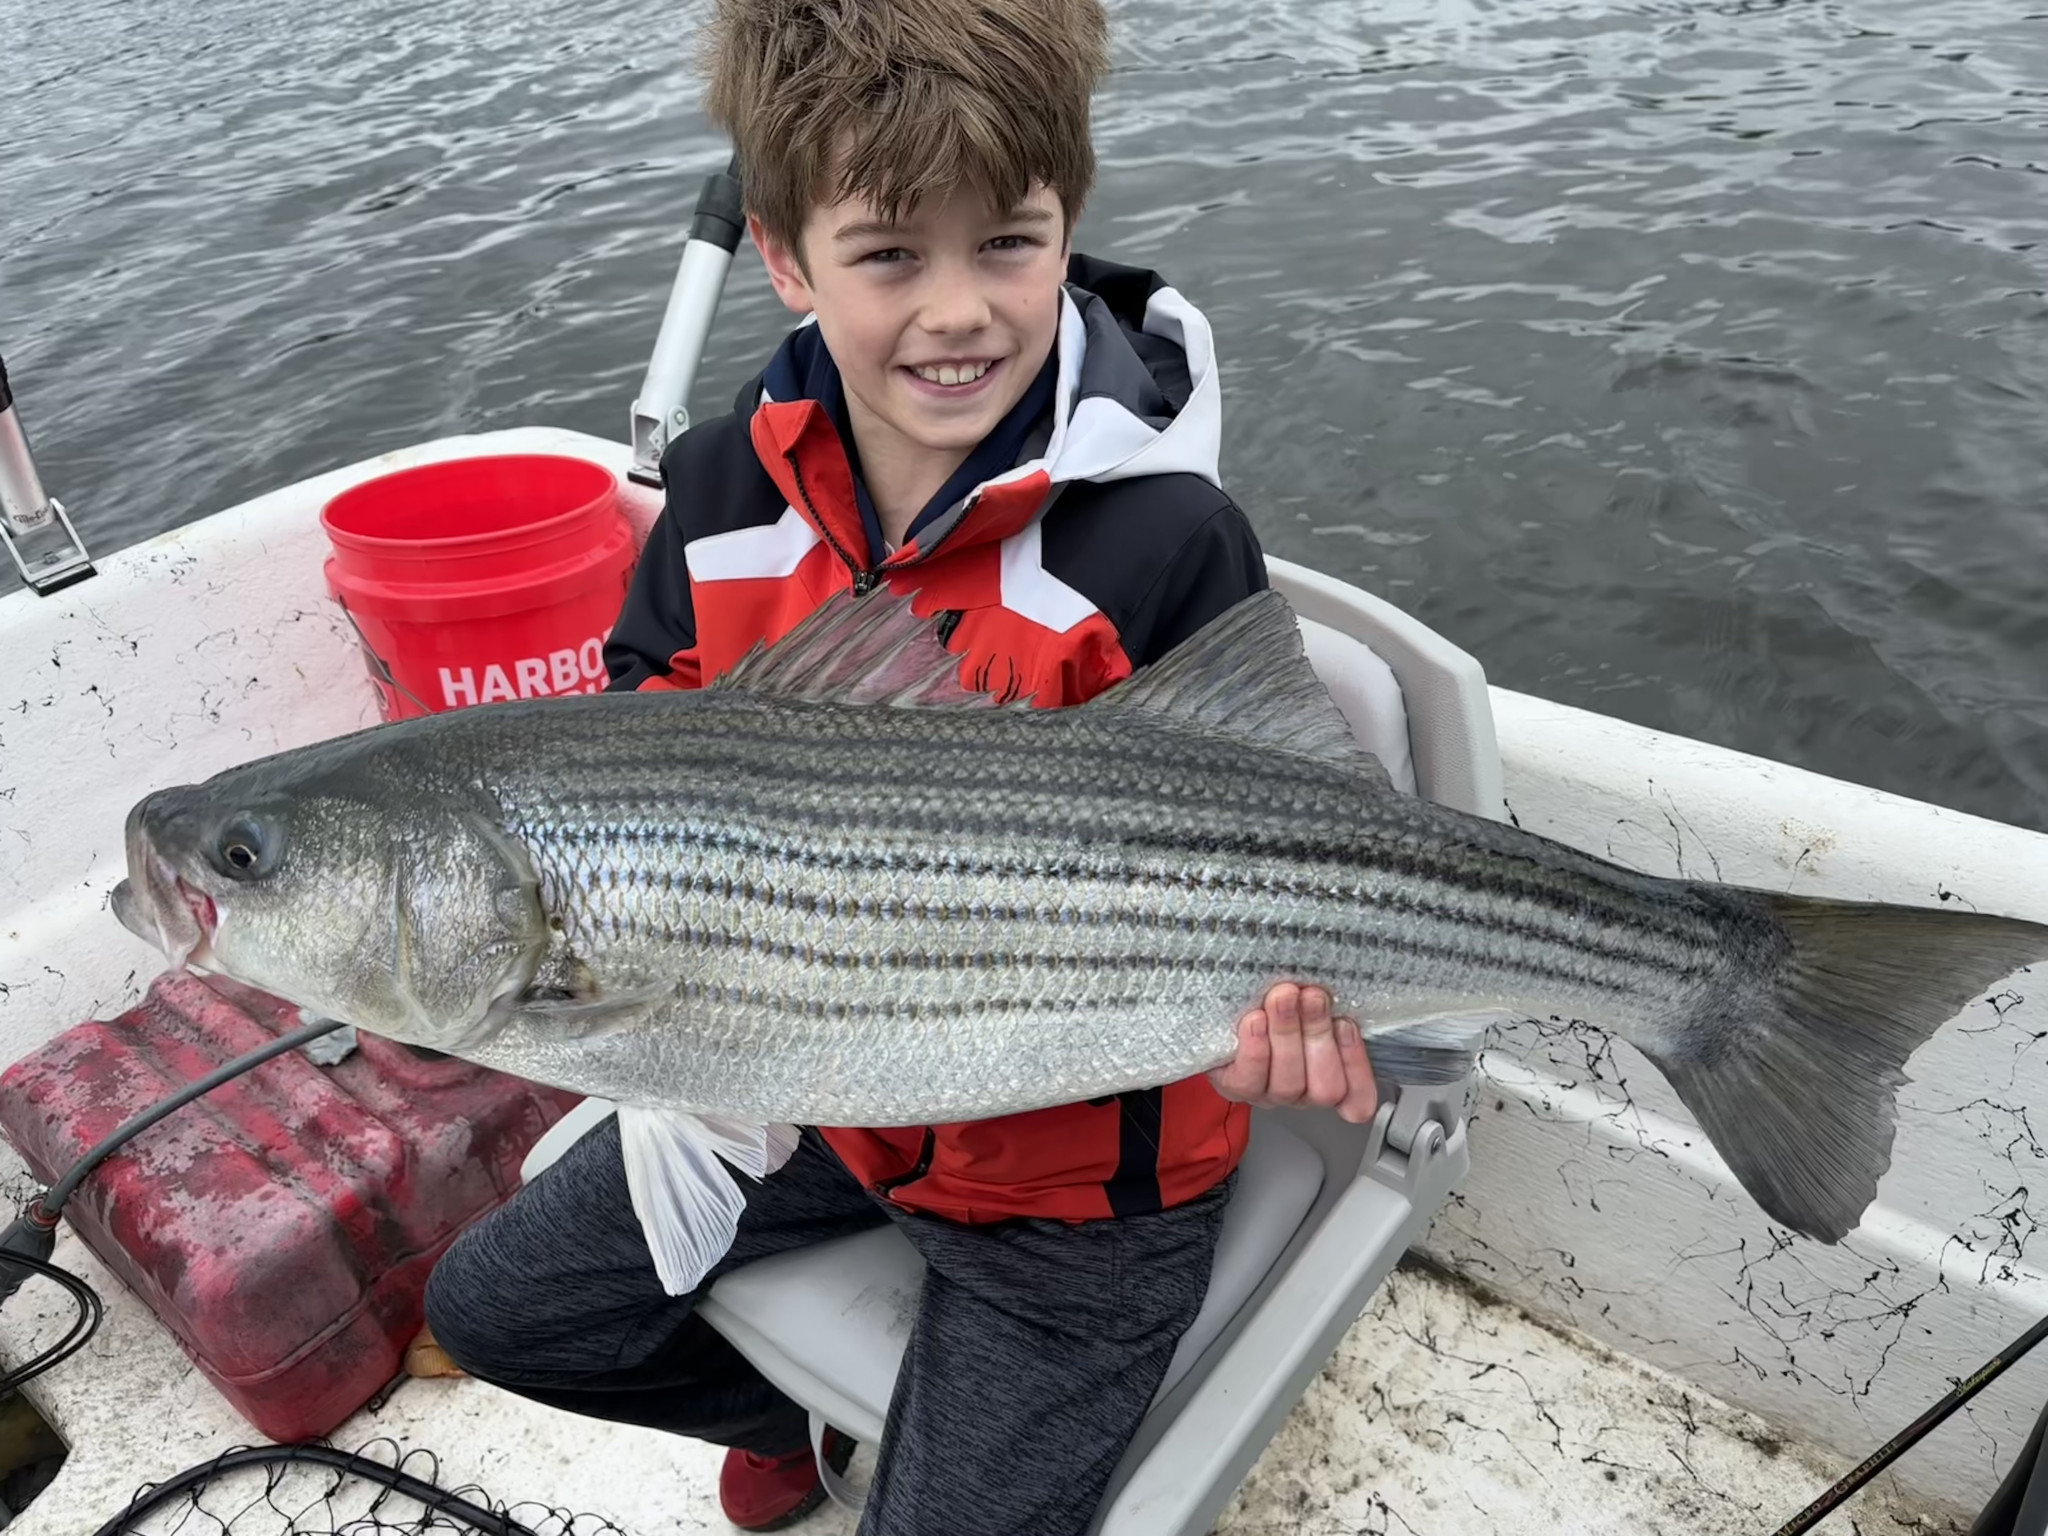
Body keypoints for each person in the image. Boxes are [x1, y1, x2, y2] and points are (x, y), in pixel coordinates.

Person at [421, 1, 1379, 1530]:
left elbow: (1285, 830)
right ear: (785, 259)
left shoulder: (1165, 539)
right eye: (886, 255)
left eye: (1008, 242)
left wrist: (1293, 1017)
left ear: (1069, 221)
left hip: (1083, 1204)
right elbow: (636, 731)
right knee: (497, 1310)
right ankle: (795, 1421)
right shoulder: (720, 483)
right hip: (813, 1104)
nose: (957, 311)